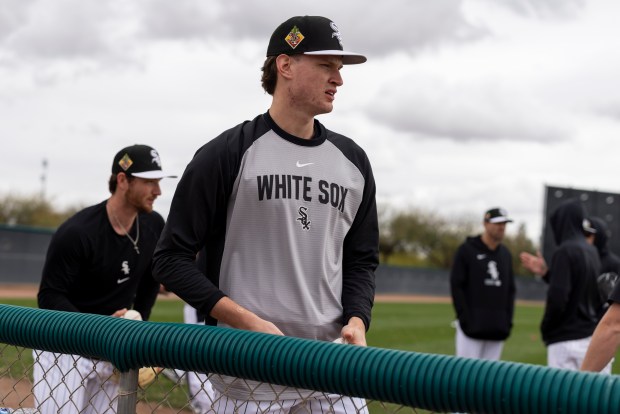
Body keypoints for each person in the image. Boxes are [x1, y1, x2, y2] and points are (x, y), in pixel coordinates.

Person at [152, 15, 378, 413]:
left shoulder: (353, 161)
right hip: (249, 371)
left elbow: (361, 259)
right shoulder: (226, 153)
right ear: (285, 65)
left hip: (333, 369)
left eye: (340, 69)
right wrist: (244, 320)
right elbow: (169, 260)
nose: (338, 79)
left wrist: (358, 319)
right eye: (326, 65)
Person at [32, 144, 176, 414]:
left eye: (158, 182)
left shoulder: (153, 225)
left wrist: (136, 329)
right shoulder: (78, 232)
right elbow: (49, 296)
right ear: (123, 180)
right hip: (64, 349)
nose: (158, 191)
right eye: (149, 182)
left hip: (111, 348)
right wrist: (97, 330)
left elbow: (148, 283)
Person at [520, 198, 603, 371]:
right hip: (588, 338)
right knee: (587, 396)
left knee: (562, 397)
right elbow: (582, 289)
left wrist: (547, 328)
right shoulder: (592, 251)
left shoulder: (564, 251)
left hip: (565, 341)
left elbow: (558, 298)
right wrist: (546, 273)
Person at [450, 207, 516, 361]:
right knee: (465, 376)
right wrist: (464, 318)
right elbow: (456, 286)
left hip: (497, 328)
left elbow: (510, 291)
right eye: (497, 223)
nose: (502, 227)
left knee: (490, 380)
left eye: (504, 224)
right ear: (485, 224)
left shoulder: (505, 255)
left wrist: (507, 322)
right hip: (471, 328)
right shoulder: (466, 250)